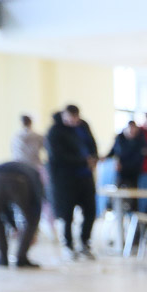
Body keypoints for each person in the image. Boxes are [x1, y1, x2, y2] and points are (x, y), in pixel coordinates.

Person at [45, 104, 98, 260]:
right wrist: (83, 161)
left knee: (90, 211)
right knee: (67, 214)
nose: (73, 120)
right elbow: (57, 156)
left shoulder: (84, 126)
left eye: (75, 117)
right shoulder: (55, 131)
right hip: (65, 179)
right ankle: (68, 244)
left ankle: (85, 242)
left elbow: (91, 143)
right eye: (70, 117)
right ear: (64, 115)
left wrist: (93, 158)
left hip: (85, 177)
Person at [0, 162, 44, 268]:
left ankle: (2, 258)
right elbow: (36, 203)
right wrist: (33, 230)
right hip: (19, 181)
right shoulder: (35, 174)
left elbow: (4, 210)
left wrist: (14, 226)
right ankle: (21, 258)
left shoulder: (6, 167)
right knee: (31, 219)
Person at [106, 121, 147, 191]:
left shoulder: (141, 141)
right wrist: (105, 157)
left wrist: (124, 166)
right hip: (120, 172)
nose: (131, 132)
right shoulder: (120, 138)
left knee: (133, 192)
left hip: (134, 172)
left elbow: (138, 159)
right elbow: (113, 150)